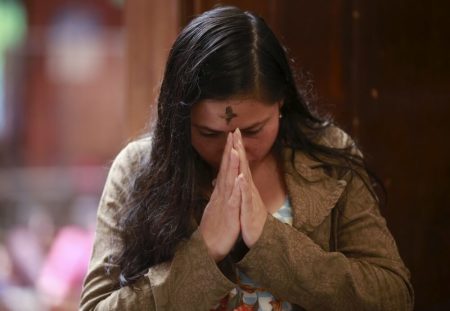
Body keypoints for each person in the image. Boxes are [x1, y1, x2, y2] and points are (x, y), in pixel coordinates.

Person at [79, 6, 413, 311]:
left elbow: (393, 295)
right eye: (209, 133)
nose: (232, 150)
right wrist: (204, 251)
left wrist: (268, 239)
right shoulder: (138, 168)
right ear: (180, 121)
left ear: (281, 103)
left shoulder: (328, 155)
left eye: (253, 130)